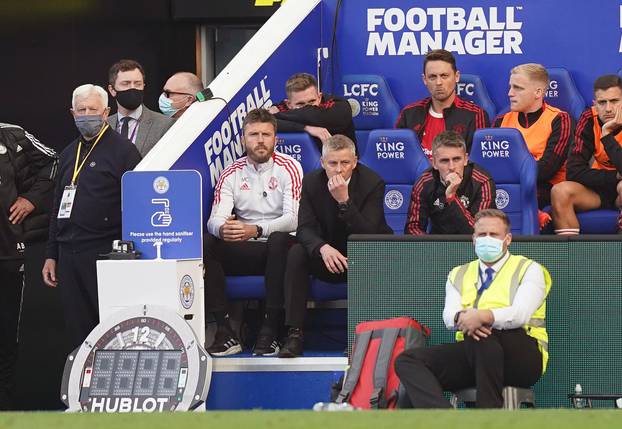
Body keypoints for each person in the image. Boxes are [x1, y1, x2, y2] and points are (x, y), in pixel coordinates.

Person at [395, 209, 551, 408]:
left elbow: (520, 315)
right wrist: (464, 317)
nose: (487, 239)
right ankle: (444, 419)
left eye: (494, 235)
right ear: (474, 239)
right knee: (408, 361)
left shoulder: (529, 269)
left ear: (508, 239)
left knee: (482, 334)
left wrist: (482, 316)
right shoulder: (458, 273)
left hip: (522, 356)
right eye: (481, 234)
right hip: (473, 353)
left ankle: (487, 415)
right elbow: (449, 316)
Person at [42, 84, 142, 354]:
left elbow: (136, 206)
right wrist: (52, 253)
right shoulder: (67, 154)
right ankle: (84, 392)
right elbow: (56, 206)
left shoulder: (124, 152)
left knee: (110, 328)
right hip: (68, 254)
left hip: (104, 253)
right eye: (81, 110)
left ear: (106, 112)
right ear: (72, 113)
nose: (87, 115)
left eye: (93, 110)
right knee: (78, 331)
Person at [279, 134, 392, 358]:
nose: (339, 170)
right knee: (297, 252)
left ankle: (360, 335)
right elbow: (304, 228)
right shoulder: (311, 182)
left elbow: (369, 233)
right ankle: (295, 333)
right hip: (326, 255)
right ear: (323, 163)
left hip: (360, 255)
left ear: (355, 161)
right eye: (333, 163)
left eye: (345, 163)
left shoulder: (373, 182)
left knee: (372, 252)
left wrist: (344, 202)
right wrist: (322, 248)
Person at [204, 108, 303, 356]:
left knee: (280, 241)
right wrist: (223, 228)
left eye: (266, 135)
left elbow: (293, 220)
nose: (260, 140)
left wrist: (256, 229)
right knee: (207, 243)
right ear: (243, 139)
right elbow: (214, 219)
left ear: (275, 139)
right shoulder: (231, 172)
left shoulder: (290, 167)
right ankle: (225, 330)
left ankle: (269, 330)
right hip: (247, 247)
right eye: (253, 134)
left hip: (279, 246)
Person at [0, 123, 57, 410]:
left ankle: (6, 411)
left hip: (8, 253)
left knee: (7, 336)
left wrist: (31, 199)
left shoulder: (12, 134)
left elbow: (54, 162)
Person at [494, 63, 572, 208]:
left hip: (545, 190)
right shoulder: (501, 121)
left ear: (538, 92)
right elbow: (490, 165)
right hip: (508, 189)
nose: (510, 93)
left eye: (518, 88)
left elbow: (547, 169)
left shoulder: (560, 119)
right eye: (511, 86)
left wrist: (508, 171)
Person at [551, 74, 622, 234]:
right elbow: (573, 172)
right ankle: (569, 255)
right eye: (602, 102)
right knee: (560, 191)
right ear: (595, 104)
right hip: (598, 190)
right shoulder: (589, 117)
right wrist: (615, 176)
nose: (608, 108)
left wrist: (607, 137)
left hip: (619, 191)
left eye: (615, 101)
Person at [395, 49, 489, 158]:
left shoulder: (475, 115)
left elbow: (478, 162)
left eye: (444, 76)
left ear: (456, 76)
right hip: (415, 175)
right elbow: (399, 159)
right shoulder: (408, 114)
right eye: (432, 77)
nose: (438, 82)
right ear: (424, 79)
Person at [405, 130, 496, 235]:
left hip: (473, 247)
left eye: (457, 159)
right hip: (438, 245)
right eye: (444, 161)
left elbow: (480, 232)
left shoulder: (482, 181)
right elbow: (412, 229)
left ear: (466, 159)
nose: (452, 167)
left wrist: (451, 197)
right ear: (434, 163)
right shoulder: (424, 183)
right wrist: (431, 249)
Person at [269, 73, 357, 153]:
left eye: (312, 101)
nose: (308, 107)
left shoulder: (339, 106)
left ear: (319, 97)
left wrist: (276, 116)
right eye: (300, 104)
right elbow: (263, 123)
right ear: (289, 104)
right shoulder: (282, 108)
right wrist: (306, 128)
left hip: (344, 165)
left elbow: (309, 114)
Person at [107, 59, 174, 157]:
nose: (132, 88)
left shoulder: (165, 125)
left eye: (138, 84)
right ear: (112, 90)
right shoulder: (103, 125)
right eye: (126, 83)